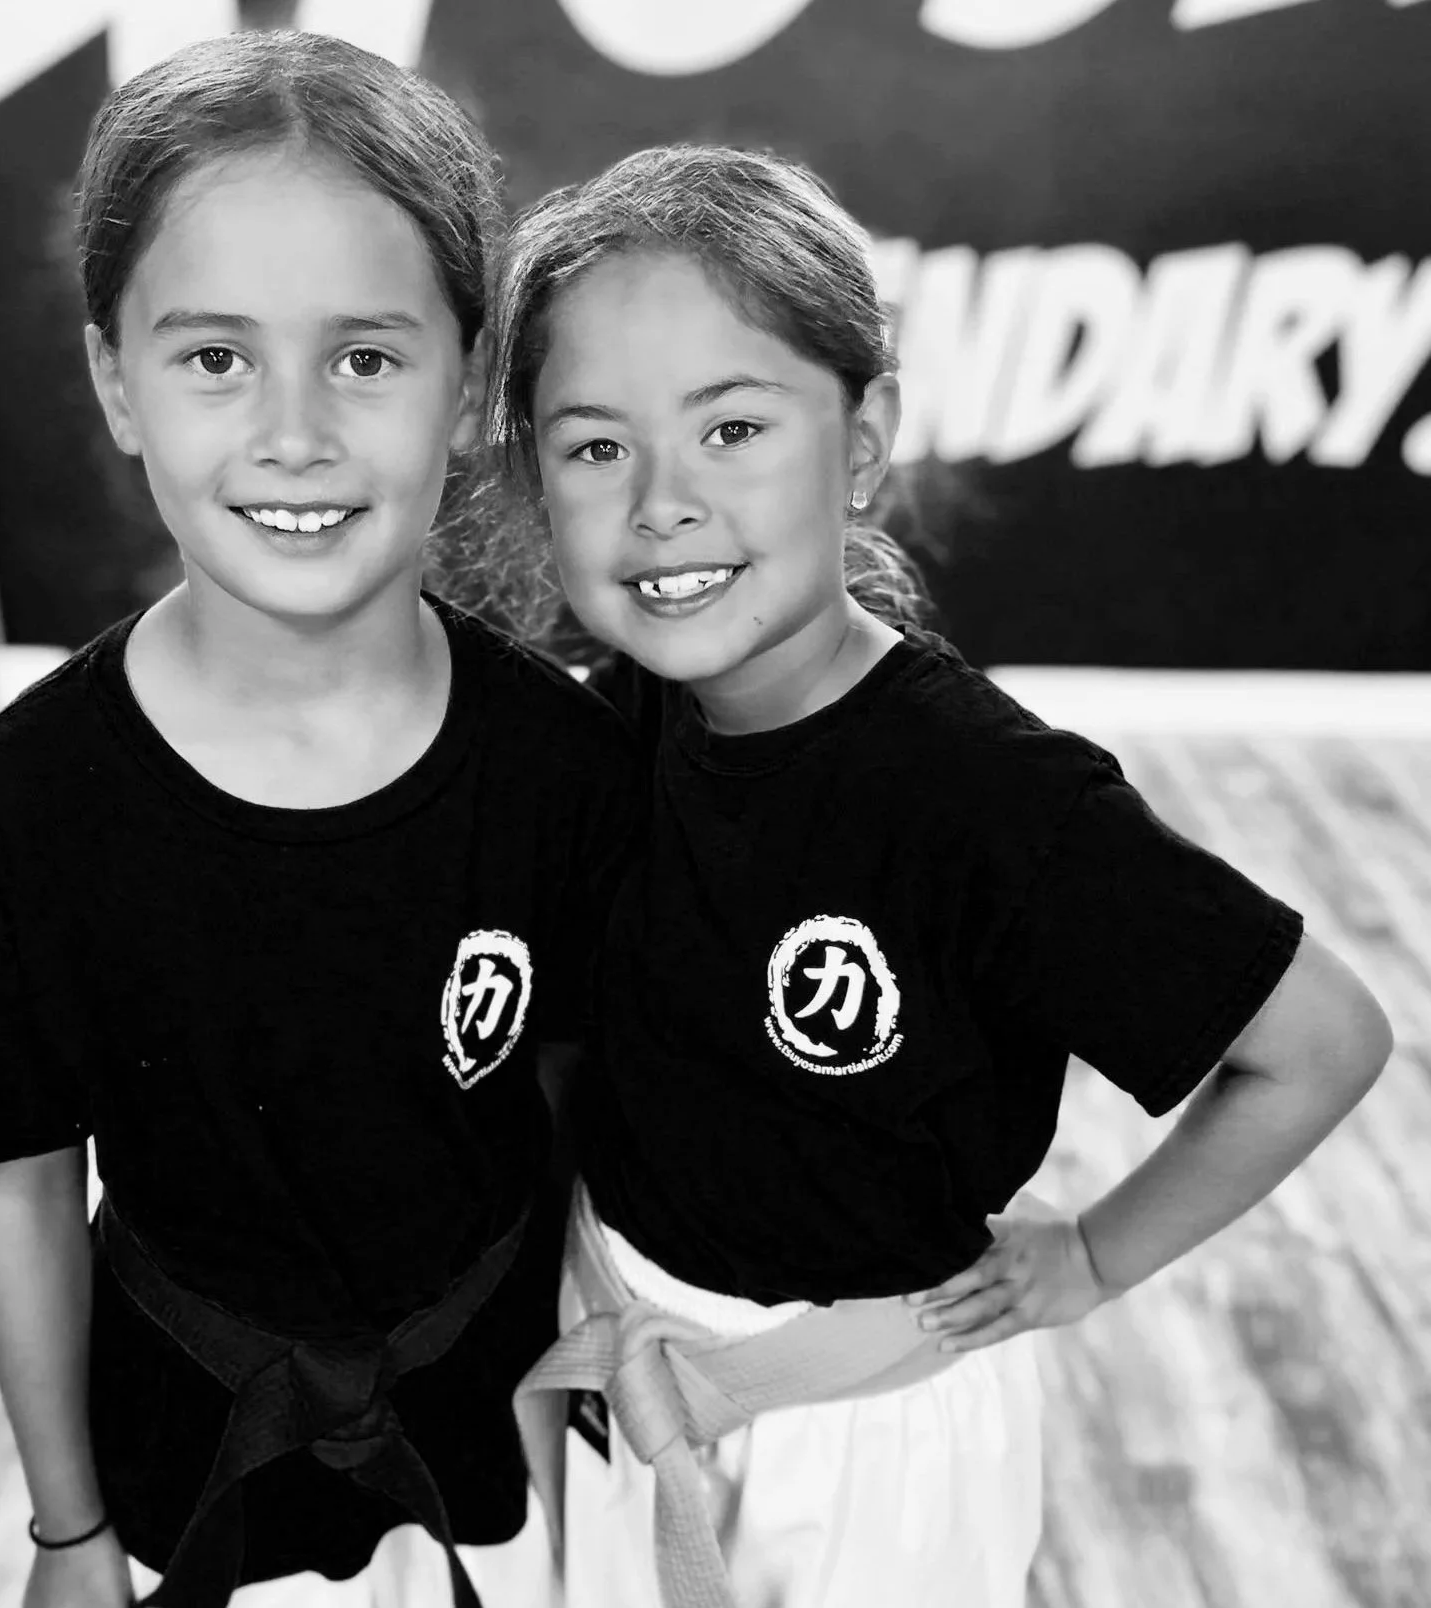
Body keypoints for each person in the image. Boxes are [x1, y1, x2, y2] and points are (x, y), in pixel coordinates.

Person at [485, 144, 1394, 1608]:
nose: (661, 501)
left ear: (861, 442)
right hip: (630, 1380)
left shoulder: (992, 798)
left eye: (732, 430)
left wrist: (1094, 1258)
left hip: (870, 1456)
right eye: (595, 446)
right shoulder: (619, 716)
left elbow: (1322, 1042)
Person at [0, 31, 638, 1608]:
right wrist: (69, 1535)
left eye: (365, 357)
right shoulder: (21, 812)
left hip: (503, 1463)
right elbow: (21, 1188)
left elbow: (588, 1124)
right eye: (215, 357)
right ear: (115, 380)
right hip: (174, 1473)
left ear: (468, 379)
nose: (294, 433)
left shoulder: (563, 768)